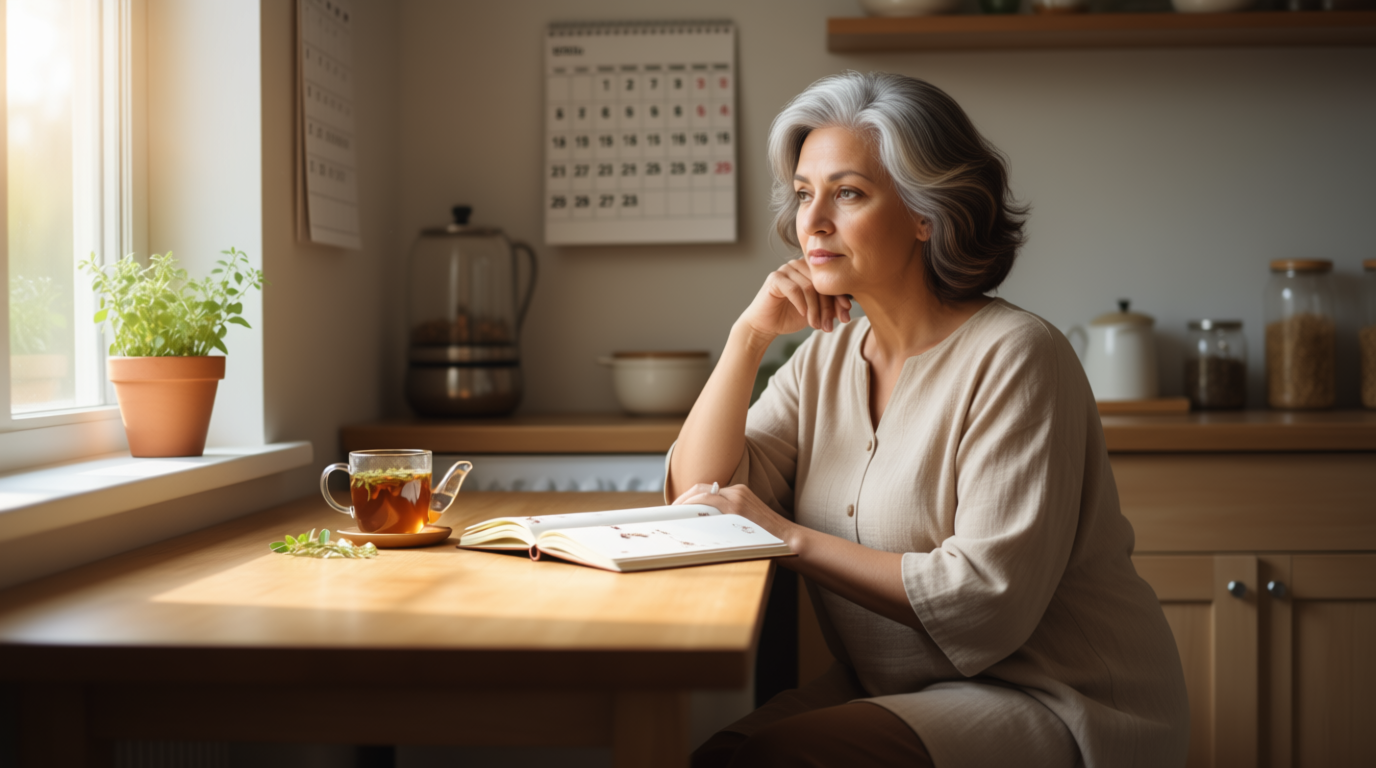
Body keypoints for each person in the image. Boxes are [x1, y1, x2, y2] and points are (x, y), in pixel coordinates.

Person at [666, 71, 1190, 768]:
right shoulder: (824, 360)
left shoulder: (1017, 356)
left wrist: (787, 537)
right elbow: (694, 499)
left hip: (1053, 698)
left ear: (925, 212)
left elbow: (985, 603)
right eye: (802, 194)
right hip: (889, 690)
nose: (811, 222)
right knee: (713, 758)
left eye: (846, 193)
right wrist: (749, 336)